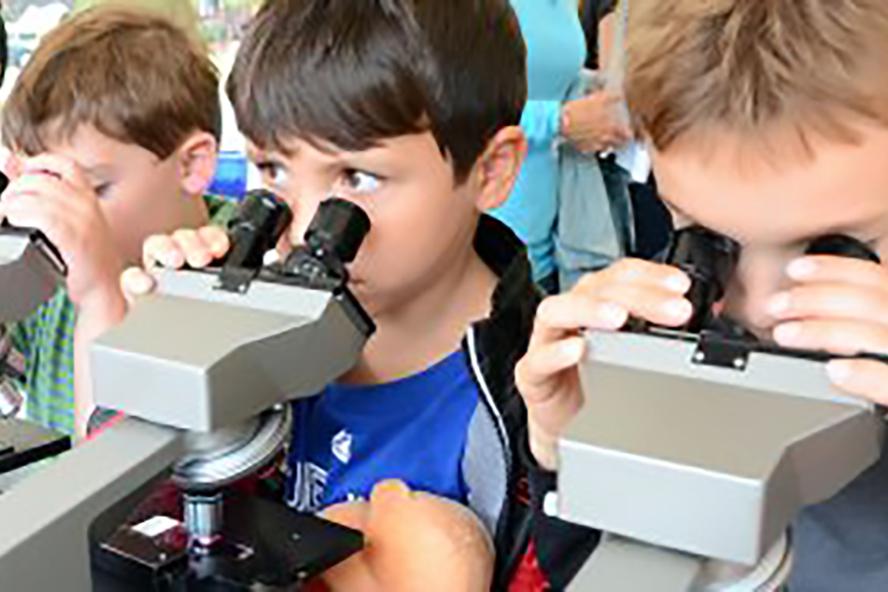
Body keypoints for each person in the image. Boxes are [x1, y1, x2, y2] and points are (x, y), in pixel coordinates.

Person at [115, 0, 562, 587]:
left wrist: (556, 466)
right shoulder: (259, 341)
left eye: (358, 178)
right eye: (273, 171)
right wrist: (170, 363)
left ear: (491, 170)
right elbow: (129, 533)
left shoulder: (544, 403)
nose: (302, 230)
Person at [516, 0, 888, 589]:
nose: (759, 307)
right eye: (710, 243)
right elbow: (592, 570)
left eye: (834, 250)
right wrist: (576, 455)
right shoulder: (674, 323)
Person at [0, 7, 227, 437]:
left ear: (191, 165)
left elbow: (121, 473)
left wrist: (101, 296)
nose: (65, 219)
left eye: (91, 188)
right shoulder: (52, 271)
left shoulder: (236, 269)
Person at [494, 0, 631, 292]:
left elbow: (548, 73)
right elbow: (443, 105)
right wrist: (558, 120)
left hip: (548, 237)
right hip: (485, 244)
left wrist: (596, 87)